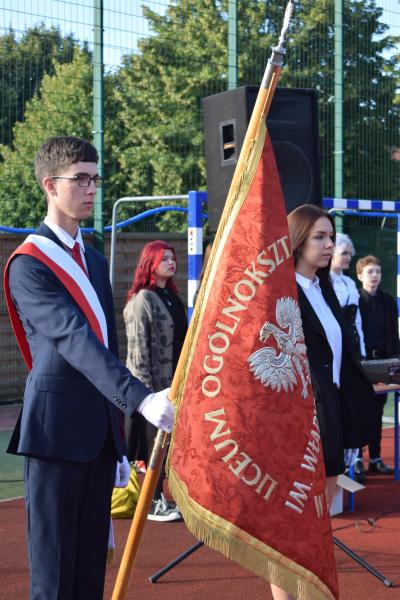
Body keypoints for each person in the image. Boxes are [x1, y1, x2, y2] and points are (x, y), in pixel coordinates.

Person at [4, 136, 174, 600]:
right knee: (55, 580)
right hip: (55, 436)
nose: (91, 188)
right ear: (49, 185)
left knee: (88, 578)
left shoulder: (95, 260)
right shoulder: (29, 264)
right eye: (80, 179)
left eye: (95, 179)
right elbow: (72, 340)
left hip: (98, 440)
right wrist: (140, 399)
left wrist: (118, 443)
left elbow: (108, 347)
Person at [270, 205, 378, 600]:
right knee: (291, 526)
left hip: (329, 416)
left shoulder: (324, 288)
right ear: (297, 241)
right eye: (319, 237)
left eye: (331, 237)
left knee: (319, 522)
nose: (329, 244)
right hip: (296, 422)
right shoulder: (281, 291)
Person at [124, 240, 188, 521]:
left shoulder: (172, 297)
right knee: (152, 448)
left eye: (173, 259)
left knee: (169, 447)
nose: (171, 263)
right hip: (153, 390)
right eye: (164, 259)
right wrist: (145, 394)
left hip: (175, 384)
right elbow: (138, 351)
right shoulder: (143, 300)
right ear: (150, 263)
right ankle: (152, 502)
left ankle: (163, 496)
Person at [355, 255, 399, 478]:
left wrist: (394, 362)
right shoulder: (354, 300)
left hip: (383, 365)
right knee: (360, 412)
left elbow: (393, 334)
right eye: (370, 271)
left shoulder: (389, 301)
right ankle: (355, 460)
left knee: (378, 412)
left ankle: (375, 458)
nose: (375, 275)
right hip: (362, 365)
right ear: (360, 275)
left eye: (378, 272)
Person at [330, 233, 366, 359]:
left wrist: (362, 350)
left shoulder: (350, 282)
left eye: (350, 254)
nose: (349, 257)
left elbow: (357, 320)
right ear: (332, 253)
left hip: (352, 343)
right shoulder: (322, 281)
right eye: (344, 253)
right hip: (334, 345)